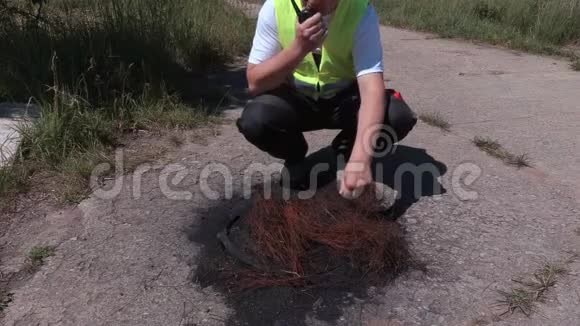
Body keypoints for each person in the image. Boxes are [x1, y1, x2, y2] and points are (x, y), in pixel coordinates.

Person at [236, 0, 417, 198]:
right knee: (256, 120)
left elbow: (372, 89)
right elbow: (255, 83)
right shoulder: (276, 7)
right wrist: (299, 47)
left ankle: (346, 150)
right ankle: (294, 156)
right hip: (297, 102)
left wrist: (360, 158)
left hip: (344, 102)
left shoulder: (360, 11)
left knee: (397, 116)